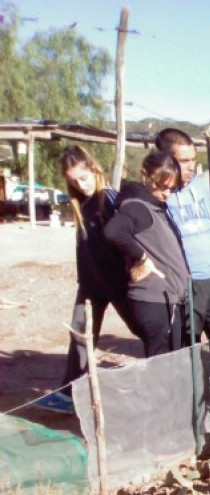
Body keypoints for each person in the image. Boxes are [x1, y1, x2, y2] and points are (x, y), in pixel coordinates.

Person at [35, 145, 137, 415]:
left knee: (144, 330)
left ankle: (168, 378)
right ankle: (70, 393)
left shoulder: (111, 199)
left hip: (118, 283)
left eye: (84, 177)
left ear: (94, 169)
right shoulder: (81, 205)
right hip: (91, 285)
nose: (81, 185)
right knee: (80, 335)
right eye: (74, 182)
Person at [104, 151, 191, 357]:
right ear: (144, 175)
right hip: (155, 302)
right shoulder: (138, 207)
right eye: (161, 187)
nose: (166, 194)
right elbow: (113, 231)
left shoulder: (154, 206)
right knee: (161, 367)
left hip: (166, 299)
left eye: (172, 188)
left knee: (171, 363)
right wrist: (142, 257)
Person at [155, 128, 210, 340]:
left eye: (193, 159)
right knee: (188, 344)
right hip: (186, 284)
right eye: (184, 160)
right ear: (167, 160)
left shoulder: (202, 186)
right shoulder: (161, 195)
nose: (191, 166)